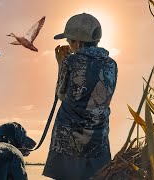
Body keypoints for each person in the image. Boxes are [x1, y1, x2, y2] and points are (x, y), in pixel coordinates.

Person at [43, 13, 118, 180]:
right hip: (98, 141)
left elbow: (61, 94)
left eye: (69, 41)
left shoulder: (71, 62)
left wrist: (61, 63)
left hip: (68, 142)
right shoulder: (111, 64)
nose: (69, 45)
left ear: (78, 42)